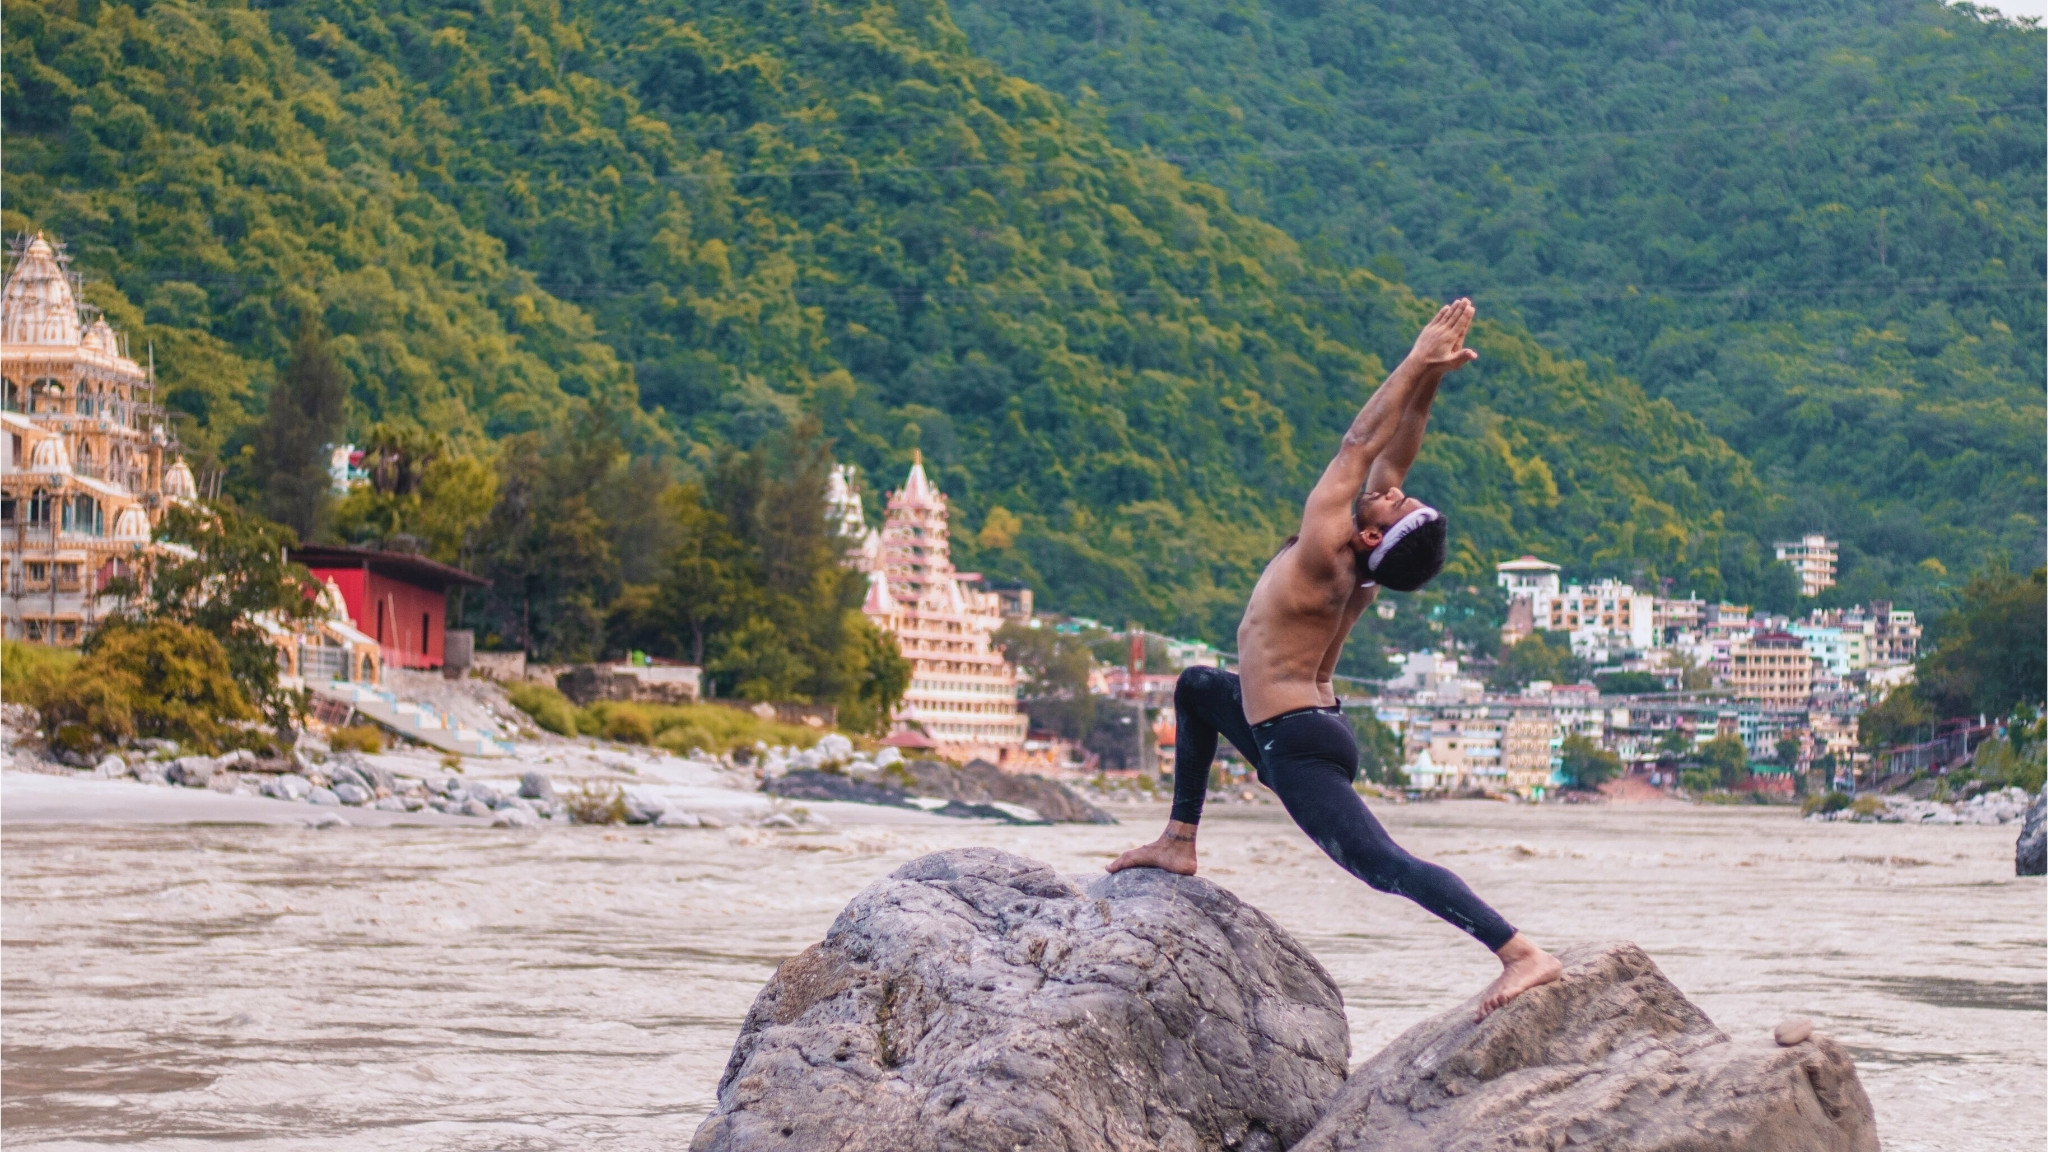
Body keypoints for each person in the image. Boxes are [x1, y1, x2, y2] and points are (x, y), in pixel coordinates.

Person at [1109, 299, 1562, 1020]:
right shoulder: (1364, 559)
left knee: (1383, 867)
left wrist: (1415, 355)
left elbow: (1359, 444)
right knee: (1197, 687)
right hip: (1293, 725)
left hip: (1296, 745)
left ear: (1376, 535)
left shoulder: (1327, 550)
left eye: (1394, 503)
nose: (1389, 490)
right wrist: (1432, 380)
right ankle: (1178, 841)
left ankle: (1520, 953)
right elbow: (1395, 449)